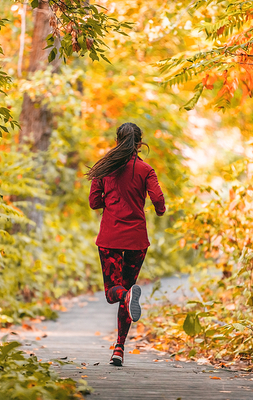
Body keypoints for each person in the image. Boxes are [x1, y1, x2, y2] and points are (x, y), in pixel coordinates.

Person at [87, 122, 166, 366]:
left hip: (110, 238)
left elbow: (93, 202)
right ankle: (119, 348)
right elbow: (158, 198)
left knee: (114, 293)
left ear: (117, 140)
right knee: (127, 293)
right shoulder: (146, 169)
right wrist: (159, 210)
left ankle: (127, 296)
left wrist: (109, 203)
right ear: (139, 143)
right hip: (136, 239)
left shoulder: (104, 168)